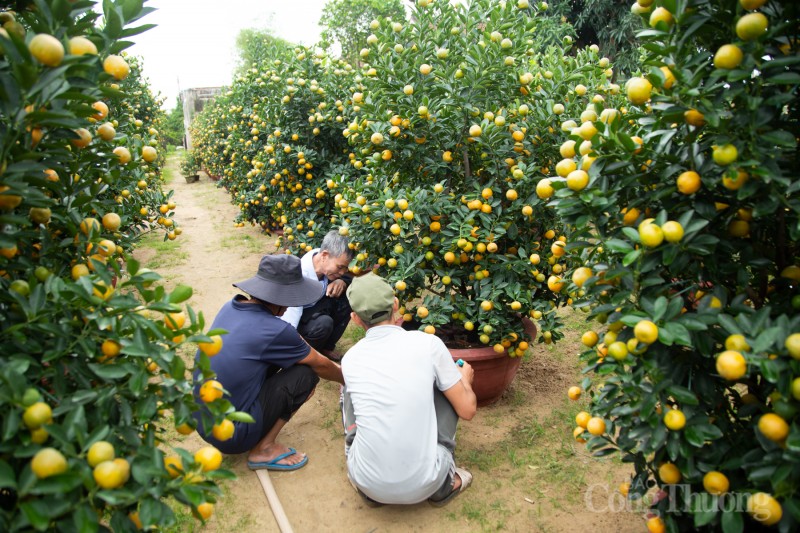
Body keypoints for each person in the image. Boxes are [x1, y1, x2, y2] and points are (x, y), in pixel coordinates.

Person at [193, 254, 344, 471]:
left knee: (287, 360)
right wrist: (348, 380)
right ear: (281, 297)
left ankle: (256, 429)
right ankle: (263, 449)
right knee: (305, 375)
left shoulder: (231, 306)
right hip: (231, 435)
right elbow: (321, 364)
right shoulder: (275, 331)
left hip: (203, 421)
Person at [340, 273, 477, 506]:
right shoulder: (427, 345)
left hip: (365, 479)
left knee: (349, 388)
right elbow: (467, 410)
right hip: (426, 482)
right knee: (445, 383)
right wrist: (465, 380)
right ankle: (443, 483)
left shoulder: (351, 359)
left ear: (355, 318)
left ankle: (371, 488)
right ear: (396, 305)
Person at [280, 230, 354, 360]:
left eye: (345, 269)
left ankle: (327, 346)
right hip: (300, 318)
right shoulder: (299, 277)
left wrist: (341, 281)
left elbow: (349, 276)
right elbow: (289, 323)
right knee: (323, 324)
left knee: (348, 296)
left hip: (318, 304)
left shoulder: (322, 257)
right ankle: (306, 357)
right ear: (324, 255)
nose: (342, 272)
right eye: (340, 267)